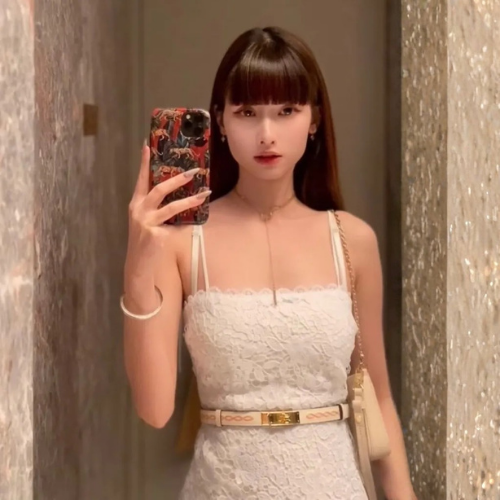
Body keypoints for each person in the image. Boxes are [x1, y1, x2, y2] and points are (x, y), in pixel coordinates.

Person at [122, 26, 416, 500]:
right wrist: (138, 265)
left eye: (286, 111)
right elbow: (154, 410)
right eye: (246, 112)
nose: (266, 134)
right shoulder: (180, 241)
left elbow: (377, 396)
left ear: (314, 119)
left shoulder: (352, 240)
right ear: (219, 121)